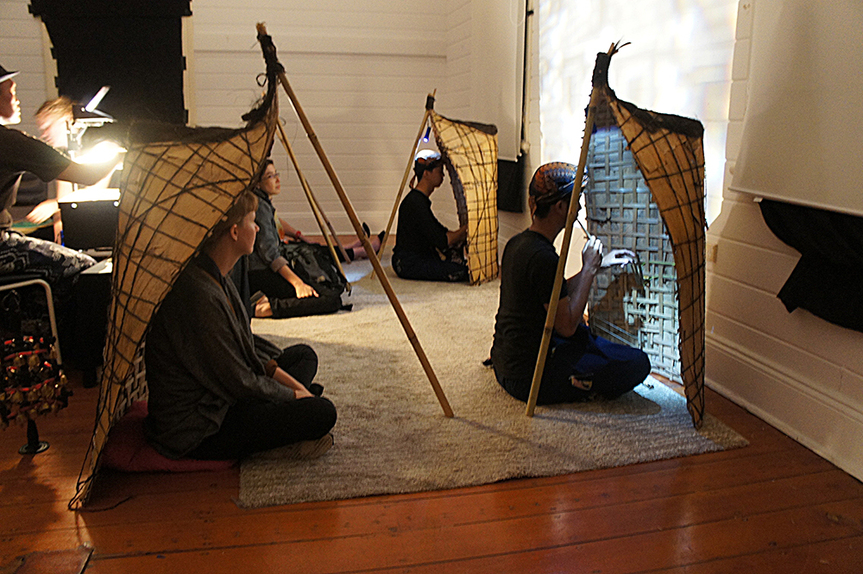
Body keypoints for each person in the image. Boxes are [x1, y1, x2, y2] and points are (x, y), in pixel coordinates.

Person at [144, 190, 337, 461]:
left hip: (223, 393)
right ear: (234, 231)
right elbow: (240, 380)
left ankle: (285, 408)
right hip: (199, 424)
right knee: (323, 412)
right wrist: (295, 398)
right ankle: (281, 436)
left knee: (304, 356)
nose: (257, 227)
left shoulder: (217, 275)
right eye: (252, 220)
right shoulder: (200, 294)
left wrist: (296, 391)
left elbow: (247, 351)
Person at [490, 162, 651, 405]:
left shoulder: (517, 243)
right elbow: (567, 326)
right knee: (637, 363)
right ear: (560, 206)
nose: (578, 209)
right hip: (528, 378)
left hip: (505, 362)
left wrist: (597, 268)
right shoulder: (544, 258)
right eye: (576, 202)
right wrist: (587, 269)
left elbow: (553, 293)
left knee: (593, 342)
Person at [1, 64, 119, 303]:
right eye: (10, 92)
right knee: (85, 268)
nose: (16, 96)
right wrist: (121, 148)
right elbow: (88, 175)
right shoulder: (10, 143)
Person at [248, 159, 375, 318]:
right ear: (258, 183)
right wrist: (297, 283)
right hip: (262, 274)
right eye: (270, 176)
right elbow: (271, 255)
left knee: (322, 275)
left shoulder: (263, 203)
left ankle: (354, 249)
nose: (277, 180)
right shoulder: (259, 207)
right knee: (330, 300)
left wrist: (299, 237)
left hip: (269, 267)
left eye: (276, 174)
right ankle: (270, 308)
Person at [392, 149, 468, 282]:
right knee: (461, 272)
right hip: (408, 264)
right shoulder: (416, 203)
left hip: (416, 259)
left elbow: (438, 233)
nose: (443, 175)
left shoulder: (418, 200)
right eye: (440, 171)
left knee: (455, 253)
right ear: (426, 174)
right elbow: (443, 241)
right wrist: (468, 228)